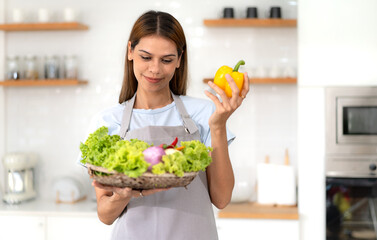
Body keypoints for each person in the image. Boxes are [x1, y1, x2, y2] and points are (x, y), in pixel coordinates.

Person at [87, 10, 249, 239]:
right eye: (146, 57)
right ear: (130, 51)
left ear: (179, 60)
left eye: (166, 60)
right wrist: (122, 196)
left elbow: (221, 199)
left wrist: (219, 126)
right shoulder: (107, 121)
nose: (155, 69)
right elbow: (105, 214)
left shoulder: (204, 113)